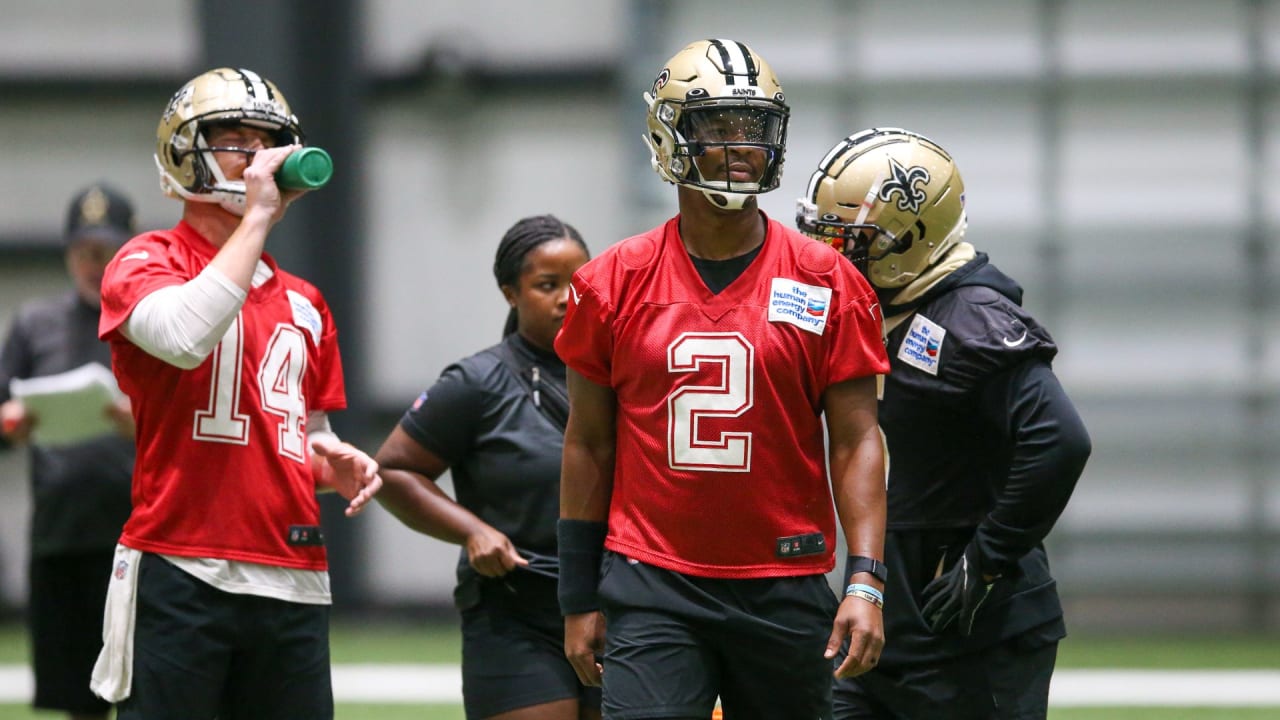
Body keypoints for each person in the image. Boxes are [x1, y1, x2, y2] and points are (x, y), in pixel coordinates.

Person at [554, 39, 891, 720]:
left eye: (757, 129)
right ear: (669, 136)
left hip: (785, 579)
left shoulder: (829, 281)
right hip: (652, 582)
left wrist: (866, 580)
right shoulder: (611, 282)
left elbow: (856, 441)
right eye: (719, 129)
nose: (744, 148)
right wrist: (578, 596)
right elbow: (587, 444)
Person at [87, 67, 382, 720]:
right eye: (234, 139)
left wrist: (329, 461)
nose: (255, 157)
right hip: (181, 566)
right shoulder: (144, 259)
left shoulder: (305, 302)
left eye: (265, 141)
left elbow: (296, 440)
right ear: (185, 152)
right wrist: (258, 219)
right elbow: (186, 334)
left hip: (292, 572)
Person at [796, 127, 1092, 719]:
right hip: (890, 609)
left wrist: (986, 560)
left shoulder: (972, 318)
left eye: (852, 241)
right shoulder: (888, 309)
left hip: (976, 624)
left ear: (910, 238)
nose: (833, 258)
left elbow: (1060, 440)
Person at [373, 214, 600, 720]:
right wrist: (472, 531)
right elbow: (391, 471)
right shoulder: (477, 382)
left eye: (579, 283)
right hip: (515, 611)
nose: (567, 298)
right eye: (547, 285)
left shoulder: (620, 373)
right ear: (510, 294)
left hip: (613, 605)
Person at [0, 183, 138, 720]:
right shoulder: (36, 324)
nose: (92, 264)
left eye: (104, 252)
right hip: (61, 535)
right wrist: (12, 424)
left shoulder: (150, 324)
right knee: (75, 697)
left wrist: (142, 425)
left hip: (138, 539)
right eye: (83, 252)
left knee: (150, 687)